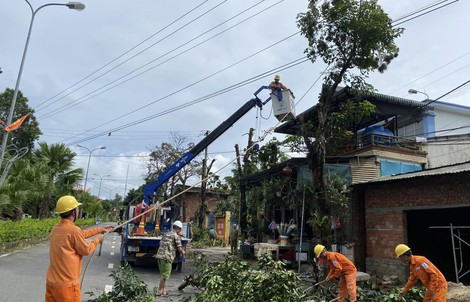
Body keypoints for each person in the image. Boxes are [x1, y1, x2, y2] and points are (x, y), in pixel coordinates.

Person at [45, 195, 113, 302]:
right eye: (77, 208)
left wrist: (100, 229)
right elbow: (86, 250)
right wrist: (97, 240)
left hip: (52, 283)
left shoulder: (56, 228)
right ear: (73, 212)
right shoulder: (73, 230)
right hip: (67, 286)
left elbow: (80, 234)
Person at [155, 220, 184, 296]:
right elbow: (179, 249)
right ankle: (159, 291)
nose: (180, 231)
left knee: (163, 275)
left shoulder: (166, 234)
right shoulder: (176, 236)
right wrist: (184, 253)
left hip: (159, 256)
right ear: (178, 228)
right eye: (180, 229)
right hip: (167, 257)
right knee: (165, 275)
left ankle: (164, 290)